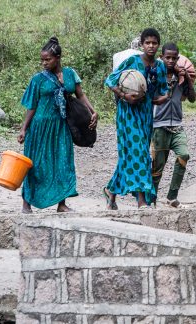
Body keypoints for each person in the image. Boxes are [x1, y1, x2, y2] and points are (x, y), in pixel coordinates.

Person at [18, 37, 98, 213]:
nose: (44, 63)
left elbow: (80, 95)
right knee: (36, 164)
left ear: (58, 58)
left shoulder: (70, 74)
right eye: (42, 60)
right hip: (40, 127)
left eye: (48, 60)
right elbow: (32, 106)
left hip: (62, 126)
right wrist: (24, 128)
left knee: (63, 162)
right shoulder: (38, 79)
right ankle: (27, 203)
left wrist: (93, 111)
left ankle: (61, 204)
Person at [103, 28, 169, 209]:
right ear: (142, 45)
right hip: (128, 114)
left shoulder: (160, 66)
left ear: (158, 45)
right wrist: (124, 96)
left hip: (146, 115)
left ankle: (111, 191)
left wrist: (162, 98)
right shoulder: (132, 61)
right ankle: (141, 200)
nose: (151, 46)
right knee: (140, 153)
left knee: (130, 154)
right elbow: (110, 80)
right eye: (147, 43)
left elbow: (162, 91)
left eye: (154, 43)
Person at [151, 43, 196, 208]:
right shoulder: (155, 77)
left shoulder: (181, 78)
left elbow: (191, 98)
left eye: (173, 58)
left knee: (184, 155)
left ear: (178, 58)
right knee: (157, 168)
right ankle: (151, 200)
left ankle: (172, 196)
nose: (170, 61)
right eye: (167, 57)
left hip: (177, 125)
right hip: (158, 126)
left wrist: (188, 79)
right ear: (161, 58)